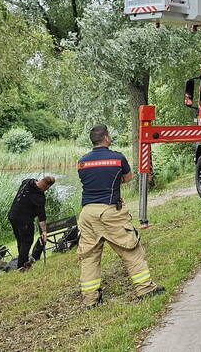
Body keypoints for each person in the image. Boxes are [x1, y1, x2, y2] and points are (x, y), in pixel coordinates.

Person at [76, 124, 163, 307]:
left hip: (86, 213)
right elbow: (127, 177)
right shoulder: (117, 158)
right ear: (106, 137)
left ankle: (91, 300)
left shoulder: (82, 162)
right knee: (131, 250)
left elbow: (89, 182)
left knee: (89, 257)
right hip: (109, 212)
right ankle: (145, 289)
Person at [8, 175, 54, 271]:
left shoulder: (28, 182)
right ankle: (22, 267)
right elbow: (41, 218)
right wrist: (44, 232)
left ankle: (22, 260)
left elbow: (23, 181)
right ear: (47, 187)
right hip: (24, 220)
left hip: (12, 215)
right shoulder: (39, 197)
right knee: (27, 241)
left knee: (20, 240)